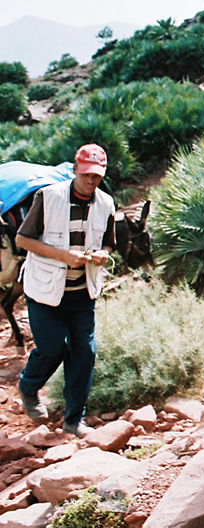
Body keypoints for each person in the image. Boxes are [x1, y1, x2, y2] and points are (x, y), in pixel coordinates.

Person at [16, 144, 115, 438]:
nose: (90, 181)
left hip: (82, 291)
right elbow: (23, 239)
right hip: (45, 291)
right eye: (85, 174)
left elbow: (109, 243)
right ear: (75, 170)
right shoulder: (49, 197)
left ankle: (73, 420)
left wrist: (103, 255)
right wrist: (64, 256)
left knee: (85, 353)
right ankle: (28, 385)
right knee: (51, 349)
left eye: (96, 176)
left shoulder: (106, 203)